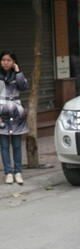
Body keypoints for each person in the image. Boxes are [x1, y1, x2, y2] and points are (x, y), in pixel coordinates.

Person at [0, 51, 29, 185]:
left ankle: (18, 172)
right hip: (2, 112)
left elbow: (23, 87)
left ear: (13, 62)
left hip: (16, 113)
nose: (6, 62)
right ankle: (8, 173)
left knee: (17, 145)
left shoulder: (17, 75)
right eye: (3, 60)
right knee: (4, 146)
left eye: (9, 60)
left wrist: (18, 71)